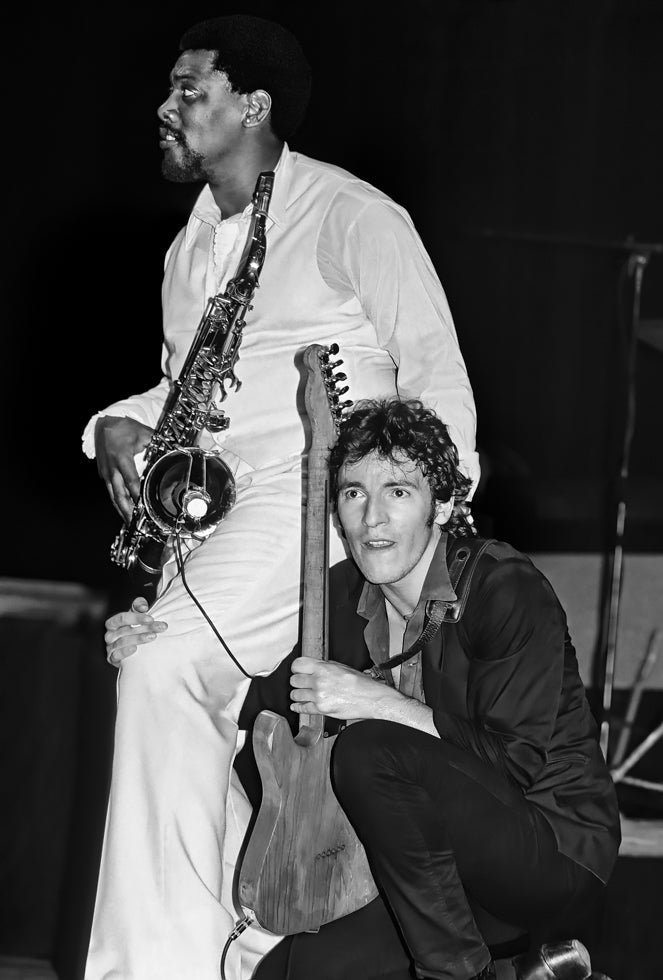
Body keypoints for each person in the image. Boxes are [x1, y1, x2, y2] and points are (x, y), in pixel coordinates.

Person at [83, 13, 480, 980]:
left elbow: (438, 378)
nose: (166, 107)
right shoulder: (190, 251)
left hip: (319, 502)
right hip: (214, 514)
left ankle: (157, 968)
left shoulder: (352, 215)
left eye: (191, 89)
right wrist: (114, 425)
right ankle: (249, 947)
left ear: (253, 105)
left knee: (167, 673)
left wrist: (427, 546)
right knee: (166, 704)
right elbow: (190, 391)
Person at [112, 398, 620, 980]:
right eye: (355, 493)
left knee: (370, 751)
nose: (373, 519)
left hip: (550, 854)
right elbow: (243, 710)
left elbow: (516, 765)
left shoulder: (503, 588)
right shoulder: (337, 602)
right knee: (293, 973)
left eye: (398, 492)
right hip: (429, 877)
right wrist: (154, 644)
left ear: (445, 504)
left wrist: (377, 703)